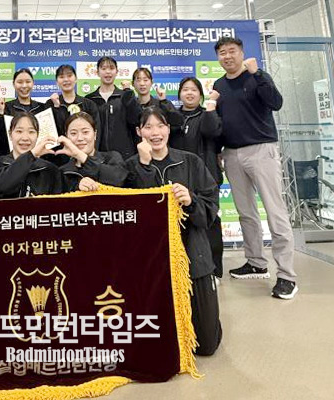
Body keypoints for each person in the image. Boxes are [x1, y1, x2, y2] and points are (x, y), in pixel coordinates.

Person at [125, 107, 222, 356]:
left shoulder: (190, 161)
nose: (155, 133)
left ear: (169, 129)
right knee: (160, 345)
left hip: (193, 255)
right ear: (139, 132)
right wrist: (144, 166)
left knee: (206, 344)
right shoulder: (130, 167)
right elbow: (132, 214)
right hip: (151, 260)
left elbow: (210, 211)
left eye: (160, 126)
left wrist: (191, 200)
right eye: (148, 127)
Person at [213, 36, 297, 299]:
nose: (227, 56)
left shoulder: (257, 76)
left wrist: (258, 74)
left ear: (241, 53)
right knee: (246, 212)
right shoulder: (218, 85)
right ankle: (256, 262)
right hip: (232, 153)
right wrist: (218, 150)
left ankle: (287, 275)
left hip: (262, 150)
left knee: (275, 212)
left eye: (232, 51)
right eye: (222, 53)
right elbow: (220, 121)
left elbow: (276, 102)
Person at [170, 77, 224, 279]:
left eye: (194, 90)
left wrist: (210, 106)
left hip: (205, 177)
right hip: (179, 177)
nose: (189, 93)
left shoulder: (207, 114)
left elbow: (212, 131)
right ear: (179, 94)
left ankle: (214, 270)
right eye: (185, 89)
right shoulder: (173, 118)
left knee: (209, 221)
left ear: (200, 94)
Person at [0, 113, 62, 198]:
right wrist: (31, 155)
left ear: (37, 136)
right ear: (10, 135)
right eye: (19, 131)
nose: (25, 138)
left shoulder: (49, 170)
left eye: (31, 132)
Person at [85, 57, 141, 160]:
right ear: (97, 72)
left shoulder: (125, 96)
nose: (108, 72)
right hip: (97, 156)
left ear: (117, 72)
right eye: (104, 68)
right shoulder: (89, 99)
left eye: (111, 68)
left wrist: (128, 94)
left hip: (124, 156)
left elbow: (136, 120)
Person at [57, 112, 128, 192]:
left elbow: (119, 179)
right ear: (67, 137)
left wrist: (80, 155)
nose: (80, 138)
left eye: (85, 132)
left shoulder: (111, 158)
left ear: (95, 134)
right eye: (73, 133)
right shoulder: (63, 172)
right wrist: (77, 186)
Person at [45, 64, 101, 138]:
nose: (66, 80)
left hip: (83, 145)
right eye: (61, 77)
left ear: (76, 79)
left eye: (69, 76)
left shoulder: (89, 104)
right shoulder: (50, 104)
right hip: (60, 145)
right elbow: (50, 132)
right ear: (57, 82)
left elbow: (96, 131)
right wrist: (56, 108)